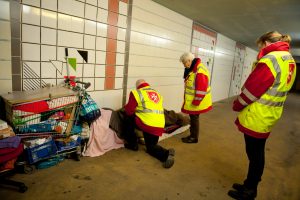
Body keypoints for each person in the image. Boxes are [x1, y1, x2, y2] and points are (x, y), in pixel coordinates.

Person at [228, 31, 297, 200]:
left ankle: (250, 190)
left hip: (258, 115)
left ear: (266, 43)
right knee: (256, 153)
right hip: (270, 113)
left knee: (255, 155)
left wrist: (238, 104)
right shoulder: (288, 59)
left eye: (260, 46)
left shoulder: (271, 60)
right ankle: (248, 184)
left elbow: (252, 91)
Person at [123, 79, 175, 168]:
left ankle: (165, 154)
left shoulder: (136, 93)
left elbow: (128, 111)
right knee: (151, 144)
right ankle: (166, 152)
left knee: (128, 118)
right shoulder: (157, 93)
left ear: (137, 86)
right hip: (159, 125)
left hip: (148, 125)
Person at [179, 52, 212, 143]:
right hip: (194, 101)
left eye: (184, 63)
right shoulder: (194, 69)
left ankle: (193, 138)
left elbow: (201, 89)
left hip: (196, 102)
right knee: (193, 118)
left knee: (194, 119)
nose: (184, 65)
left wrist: (196, 102)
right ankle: (192, 136)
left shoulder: (199, 70)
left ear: (189, 61)